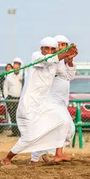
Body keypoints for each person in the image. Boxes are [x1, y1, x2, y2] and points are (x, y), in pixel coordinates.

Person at [1, 37, 78, 165]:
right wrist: (65, 53)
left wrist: (69, 60)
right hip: (29, 104)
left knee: (64, 122)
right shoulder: (36, 56)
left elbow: (67, 76)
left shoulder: (56, 61)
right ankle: (7, 158)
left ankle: (55, 154)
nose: (49, 51)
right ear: (41, 49)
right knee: (29, 138)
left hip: (43, 104)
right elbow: (47, 60)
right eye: (46, 48)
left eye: (52, 49)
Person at [30, 35, 76, 164]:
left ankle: (51, 154)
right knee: (63, 126)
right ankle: (40, 156)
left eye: (64, 45)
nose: (61, 47)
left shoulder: (62, 61)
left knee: (61, 128)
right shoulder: (50, 59)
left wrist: (69, 61)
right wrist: (63, 58)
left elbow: (69, 76)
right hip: (50, 100)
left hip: (61, 101)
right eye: (59, 45)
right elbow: (49, 64)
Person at [4, 60, 24, 137]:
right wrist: (6, 98)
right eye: (14, 67)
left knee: (20, 116)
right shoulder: (9, 75)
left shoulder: (23, 75)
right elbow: (5, 87)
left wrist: (23, 82)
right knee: (12, 116)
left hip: (19, 99)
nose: (16, 69)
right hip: (11, 98)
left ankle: (20, 132)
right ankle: (14, 132)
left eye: (17, 67)